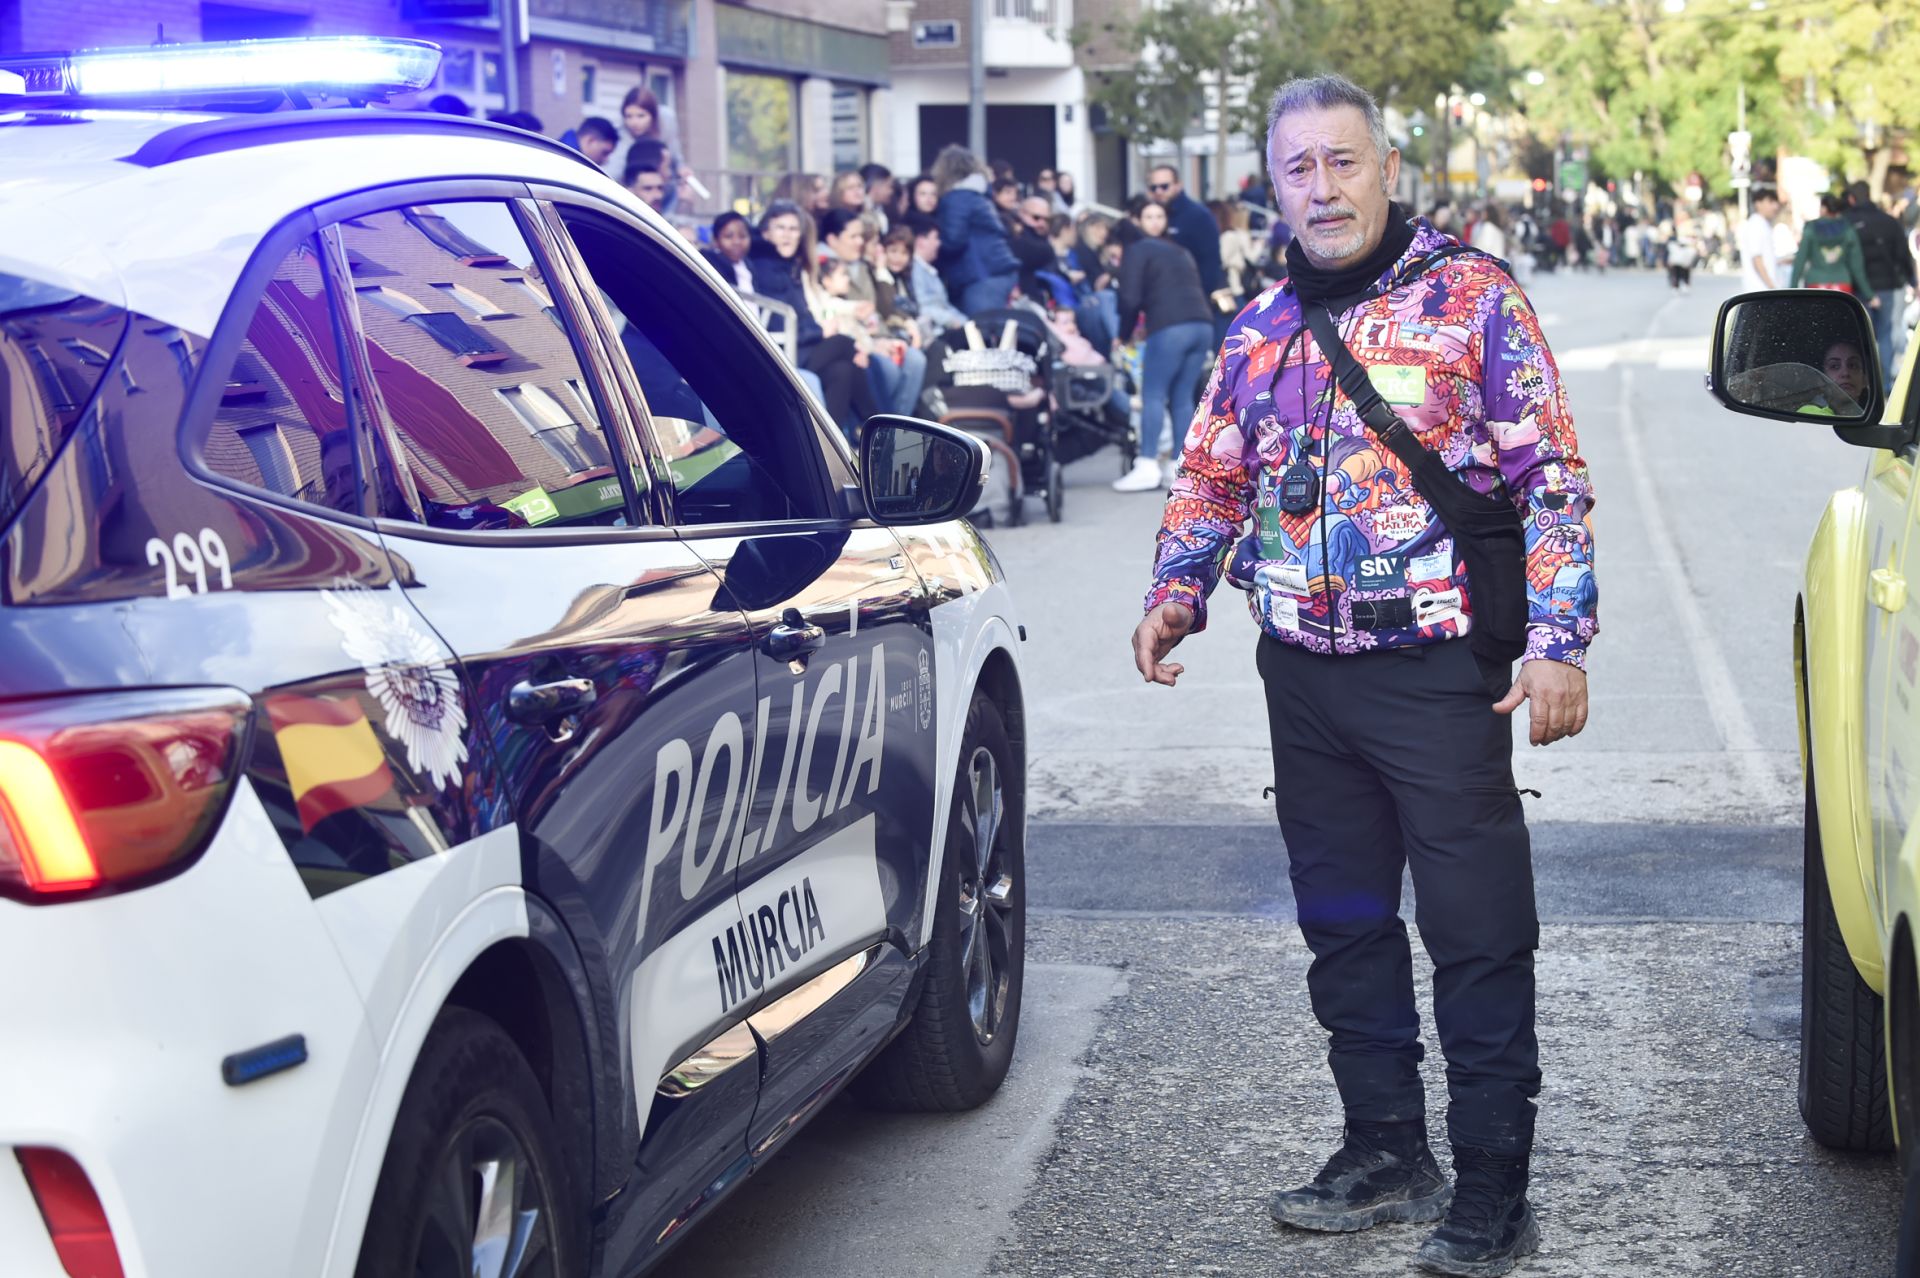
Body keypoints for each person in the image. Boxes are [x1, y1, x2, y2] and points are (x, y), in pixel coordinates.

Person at [1131, 73, 1595, 1277]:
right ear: (1273, 186)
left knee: (1476, 929)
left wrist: (1559, 638)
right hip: (1303, 674)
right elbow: (1213, 477)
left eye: (1344, 162)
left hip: (1441, 672)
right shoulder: (1259, 328)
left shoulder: (1471, 300)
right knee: (1342, 924)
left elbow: (1548, 474)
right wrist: (1176, 589)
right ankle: (1386, 1148)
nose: (1324, 189)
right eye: (1300, 169)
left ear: (1388, 168)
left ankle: (1495, 1180)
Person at [750, 201, 878, 433]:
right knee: (846, 344)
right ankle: (878, 429)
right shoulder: (764, 267)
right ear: (765, 232)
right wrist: (821, 331)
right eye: (781, 228)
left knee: (843, 371)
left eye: (793, 229)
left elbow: (803, 314)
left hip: (803, 346)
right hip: (783, 352)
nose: (788, 235)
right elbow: (782, 322)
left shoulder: (790, 266)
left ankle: (833, 445)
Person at [1112, 204, 1213, 493]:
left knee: (1153, 395)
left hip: (1170, 328)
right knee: (1181, 397)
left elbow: (1129, 299)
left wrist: (1122, 334)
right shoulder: (1180, 250)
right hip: (1201, 324)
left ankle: (1146, 464)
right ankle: (1181, 467)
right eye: (1148, 216)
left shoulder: (1137, 249)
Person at [819, 208, 926, 418]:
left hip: (879, 334)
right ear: (833, 239)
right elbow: (838, 312)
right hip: (857, 339)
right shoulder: (827, 268)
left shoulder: (865, 267)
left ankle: (897, 427)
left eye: (863, 237)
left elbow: (885, 307)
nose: (860, 242)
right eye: (855, 236)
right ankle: (886, 430)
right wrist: (873, 343)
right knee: (888, 369)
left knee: (915, 359)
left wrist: (880, 270)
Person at [932, 144, 1022, 315]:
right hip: (996, 269)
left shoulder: (958, 198)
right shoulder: (978, 195)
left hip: (981, 274)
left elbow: (953, 240)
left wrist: (930, 249)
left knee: (983, 333)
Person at [1844, 181, 1917, 390]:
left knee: (1860, 336)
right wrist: (1912, 280)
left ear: (1851, 199)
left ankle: (1863, 385)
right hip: (1887, 285)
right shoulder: (1889, 222)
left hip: (1857, 288)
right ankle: (1884, 385)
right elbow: (1903, 254)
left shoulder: (1847, 222)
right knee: (1885, 335)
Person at [1147, 163, 1227, 296]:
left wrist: (1200, 296)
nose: (1158, 192)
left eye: (1164, 186)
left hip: (1191, 297)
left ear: (1178, 185)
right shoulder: (1151, 213)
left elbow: (1210, 263)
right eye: (1153, 188)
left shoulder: (1198, 216)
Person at [1790, 193, 1874, 299]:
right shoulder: (1848, 230)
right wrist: (1869, 294)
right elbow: (1857, 266)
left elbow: (1800, 261)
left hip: (1815, 283)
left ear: (1824, 208)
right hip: (1842, 284)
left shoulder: (1810, 230)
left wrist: (1792, 290)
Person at [615, 87, 683, 214]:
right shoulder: (623, 138)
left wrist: (678, 168)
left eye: (641, 116)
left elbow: (676, 155)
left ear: (653, 115)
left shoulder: (666, 122)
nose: (634, 122)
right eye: (628, 116)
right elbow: (614, 171)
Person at [904, 221, 968, 342]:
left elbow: (945, 305)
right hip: (935, 332)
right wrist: (952, 321)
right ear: (921, 241)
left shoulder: (928, 271)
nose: (939, 243)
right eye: (936, 238)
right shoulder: (913, 271)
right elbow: (922, 306)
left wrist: (966, 323)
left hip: (949, 327)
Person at [1011, 195, 1064, 303]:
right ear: (1021, 213)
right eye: (1036, 217)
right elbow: (1041, 253)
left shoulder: (1042, 238)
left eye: (1047, 220)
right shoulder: (1016, 234)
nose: (1042, 223)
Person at [1739, 186, 1784, 291]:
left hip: (1764, 289)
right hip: (1759, 290)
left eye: (1776, 202)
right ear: (1758, 204)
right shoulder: (1756, 225)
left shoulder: (1763, 224)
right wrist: (1772, 287)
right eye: (1770, 202)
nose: (1775, 206)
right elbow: (1757, 259)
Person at [701, 212, 756, 292]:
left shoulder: (749, 266)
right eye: (729, 236)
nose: (737, 242)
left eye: (742, 236)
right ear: (716, 240)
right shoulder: (710, 265)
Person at [861, 163, 896, 231]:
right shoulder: (858, 211)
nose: (891, 192)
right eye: (889, 186)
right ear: (875, 186)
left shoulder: (881, 210)